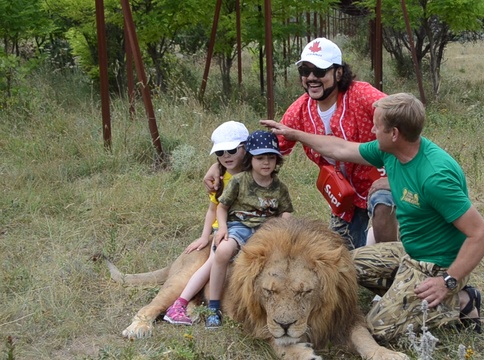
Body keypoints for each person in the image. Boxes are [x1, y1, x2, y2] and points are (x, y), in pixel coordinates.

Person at [261, 92, 484, 343]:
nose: (372, 130)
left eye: (376, 125)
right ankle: (404, 291)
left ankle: (460, 300)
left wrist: (448, 280)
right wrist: (294, 134)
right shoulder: (391, 151)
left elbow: (482, 235)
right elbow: (340, 147)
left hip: (435, 266)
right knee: (339, 269)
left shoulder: (435, 177)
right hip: (408, 252)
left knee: (376, 331)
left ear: (394, 133)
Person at [204, 37, 398, 250]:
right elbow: (265, 148)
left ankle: (389, 259)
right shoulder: (299, 110)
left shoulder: (360, 93)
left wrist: (396, 167)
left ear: (338, 72)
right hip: (344, 194)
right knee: (343, 257)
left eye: (320, 71)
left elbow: (399, 113)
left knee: (383, 202)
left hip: (380, 176)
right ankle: (370, 242)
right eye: (305, 71)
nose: (311, 78)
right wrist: (220, 164)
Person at [205, 130, 294, 328]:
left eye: (271, 158)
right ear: (250, 159)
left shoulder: (279, 187)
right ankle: (213, 306)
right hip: (240, 226)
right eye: (260, 158)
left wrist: (283, 226)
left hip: (267, 232)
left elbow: (286, 212)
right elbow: (222, 206)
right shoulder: (239, 180)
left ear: (277, 161)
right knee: (223, 252)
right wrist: (222, 229)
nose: (266, 163)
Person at [164, 121, 249, 326]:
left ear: (246, 147)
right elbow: (213, 208)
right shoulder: (221, 178)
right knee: (214, 260)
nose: (226, 156)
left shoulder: (256, 169)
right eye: (220, 152)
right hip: (225, 230)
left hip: (248, 227)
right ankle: (180, 303)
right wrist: (205, 236)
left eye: (231, 150)